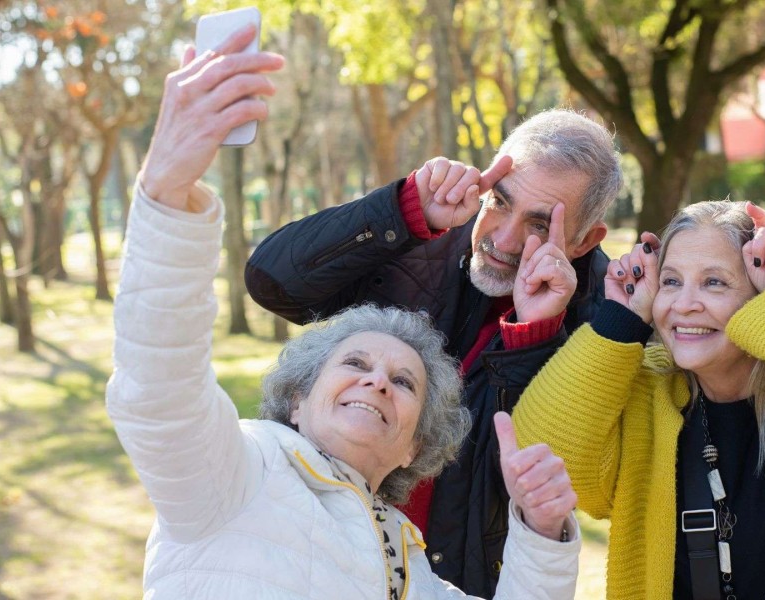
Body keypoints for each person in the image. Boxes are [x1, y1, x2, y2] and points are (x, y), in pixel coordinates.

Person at [107, 26, 582, 599]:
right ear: (297, 400)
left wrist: (541, 530)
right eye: (354, 362)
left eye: (405, 382)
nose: (378, 381)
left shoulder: (410, 570)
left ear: (415, 448)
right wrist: (166, 189)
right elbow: (156, 387)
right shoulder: (235, 477)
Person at [245, 69, 621, 597]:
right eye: (502, 200)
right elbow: (271, 282)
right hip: (320, 559)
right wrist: (403, 209)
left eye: (541, 224)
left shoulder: (605, 314)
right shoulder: (419, 235)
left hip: (450, 581)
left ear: (585, 240)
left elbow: (525, 470)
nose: (504, 239)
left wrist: (533, 334)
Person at [511, 200, 765, 599]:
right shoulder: (645, 392)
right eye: (671, 281)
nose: (685, 305)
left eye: (714, 282)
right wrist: (618, 322)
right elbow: (545, 453)